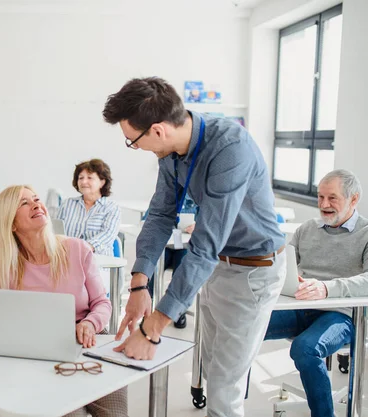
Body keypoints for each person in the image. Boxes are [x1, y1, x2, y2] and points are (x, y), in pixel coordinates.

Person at [102, 77, 286, 417]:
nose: (134, 147)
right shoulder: (171, 150)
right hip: (218, 268)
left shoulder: (231, 148)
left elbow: (204, 246)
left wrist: (153, 328)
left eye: (132, 141)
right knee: (211, 363)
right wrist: (140, 282)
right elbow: (160, 214)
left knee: (224, 387)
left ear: (157, 130)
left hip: (253, 271)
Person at [0, 185, 127, 417]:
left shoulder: (77, 249)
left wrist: (90, 324)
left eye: (36, 199)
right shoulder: (3, 267)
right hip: (38, 352)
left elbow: (102, 303)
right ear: (11, 223)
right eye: (24, 203)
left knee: (115, 413)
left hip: (90, 341)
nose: (36, 204)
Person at [264, 170, 368, 417]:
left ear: (354, 199)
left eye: (332, 198)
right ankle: (232, 408)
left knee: (305, 348)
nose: (323, 204)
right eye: (320, 197)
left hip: (343, 315)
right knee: (245, 328)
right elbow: (283, 268)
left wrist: (326, 288)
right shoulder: (306, 229)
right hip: (299, 306)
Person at [57, 159, 121, 293]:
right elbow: (57, 231)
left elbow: (107, 236)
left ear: (102, 182)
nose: (84, 181)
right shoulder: (67, 204)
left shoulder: (111, 208)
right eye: (80, 178)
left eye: (90, 177)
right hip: (68, 263)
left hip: (98, 266)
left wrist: (81, 249)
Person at [146, 193, 197, 329]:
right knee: (152, 268)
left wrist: (197, 226)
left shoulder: (198, 200)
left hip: (185, 247)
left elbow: (209, 223)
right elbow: (148, 219)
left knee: (181, 269)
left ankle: (177, 309)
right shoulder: (164, 196)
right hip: (166, 247)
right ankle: (148, 304)